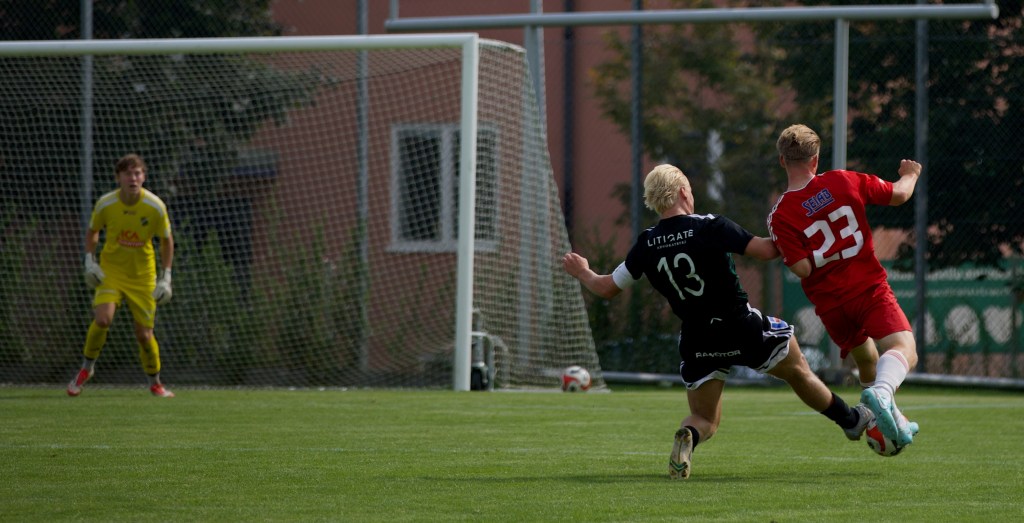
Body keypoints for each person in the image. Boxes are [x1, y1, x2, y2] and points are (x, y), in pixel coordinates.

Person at [563, 163, 872, 480]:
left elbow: (607, 288)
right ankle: (851, 421)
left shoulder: (646, 243)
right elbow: (766, 251)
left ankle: (688, 435)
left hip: (697, 338)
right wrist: (803, 232)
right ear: (683, 192)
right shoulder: (709, 226)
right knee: (797, 370)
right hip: (739, 326)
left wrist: (583, 272)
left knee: (704, 419)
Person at [767, 123, 921, 448]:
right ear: (815, 159)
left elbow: (801, 268)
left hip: (832, 306)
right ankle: (882, 393)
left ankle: (887, 421)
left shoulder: (780, 215)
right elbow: (899, 194)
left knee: (867, 359)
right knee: (904, 348)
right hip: (867, 288)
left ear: (782, 161)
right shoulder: (842, 180)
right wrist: (911, 174)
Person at [67, 153, 176, 398]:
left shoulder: (155, 206)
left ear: (144, 177)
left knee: (144, 335)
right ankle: (86, 369)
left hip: (143, 276)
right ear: (118, 178)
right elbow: (93, 231)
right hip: (112, 272)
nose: (133, 178)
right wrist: (89, 261)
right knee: (102, 320)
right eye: (128, 174)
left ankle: (155, 383)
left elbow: (166, 241)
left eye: (137, 173)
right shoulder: (106, 204)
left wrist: (166, 276)